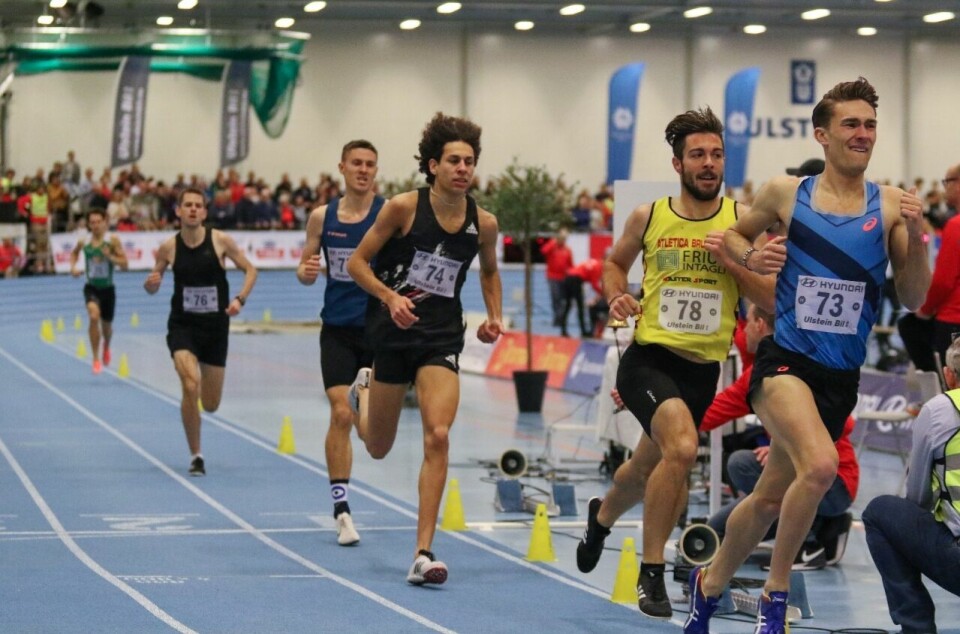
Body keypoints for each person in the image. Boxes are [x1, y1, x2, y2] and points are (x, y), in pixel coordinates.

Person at [685, 77, 931, 634]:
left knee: (771, 496)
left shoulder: (891, 205)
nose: (862, 133)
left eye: (870, 124)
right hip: (785, 361)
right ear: (823, 134)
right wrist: (754, 254)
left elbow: (914, 296)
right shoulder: (785, 193)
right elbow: (728, 237)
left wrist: (916, 237)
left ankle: (712, 583)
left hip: (841, 376)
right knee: (820, 467)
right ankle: (775, 598)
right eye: (851, 123)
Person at [576, 106, 774, 620]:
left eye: (716, 154)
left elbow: (768, 298)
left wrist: (736, 261)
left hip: (702, 370)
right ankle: (652, 571)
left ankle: (601, 517)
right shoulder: (649, 215)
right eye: (697, 155)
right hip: (648, 359)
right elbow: (614, 265)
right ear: (678, 163)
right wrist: (617, 295)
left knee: (644, 468)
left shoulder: (742, 221)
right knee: (683, 448)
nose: (708, 163)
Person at [345, 112, 504, 586]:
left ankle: (422, 552)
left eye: (470, 161)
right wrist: (389, 297)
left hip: (440, 339)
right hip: (393, 336)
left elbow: (489, 271)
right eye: (453, 160)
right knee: (376, 446)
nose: (462, 168)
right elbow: (357, 263)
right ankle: (363, 395)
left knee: (438, 435)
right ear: (433, 165)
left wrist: (493, 315)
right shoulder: (402, 208)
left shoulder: (485, 222)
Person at [699, 303, 858, 571]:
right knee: (717, 531)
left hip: (835, 481)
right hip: (791, 472)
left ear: (760, 325)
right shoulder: (757, 373)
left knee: (743, 464)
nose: (741, 333)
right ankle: (823, 525)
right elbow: (708, 415)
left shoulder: (802, 363)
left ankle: (812, 540)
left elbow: (847, 423)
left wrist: (790, 440)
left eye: (746, 324)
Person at [296, 140, 384, 547]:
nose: (363, 170)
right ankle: (342, 509)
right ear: (342, 168)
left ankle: (365, 403)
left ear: (375, 171)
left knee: (373, 435)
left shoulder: (389, 214)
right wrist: (307, 271)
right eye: (356, 164)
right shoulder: (322, 217)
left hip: (379, 332)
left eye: (370, 165)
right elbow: (305, 266)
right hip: (337, 329)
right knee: (340, 414)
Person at [144, 187, 258, 476]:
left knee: (210, 403)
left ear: (205, 212)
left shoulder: (220, 241)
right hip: (183, 326)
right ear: (178, 211)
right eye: (188, 205)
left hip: (216, 328)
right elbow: (152, 282)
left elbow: (250, 270)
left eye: (198, 205)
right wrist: (151, 284)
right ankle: (196, 455)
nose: (193, 209)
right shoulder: (169, 247)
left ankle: (198, 431)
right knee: (189, 383)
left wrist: (239, 299)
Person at [863, 337, 960, 634]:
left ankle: (917, 626)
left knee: (880, 512)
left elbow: (918, 496)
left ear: (948, 375)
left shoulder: (942, 410)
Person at [898, 162, 960, 372]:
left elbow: (943, 281)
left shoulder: (956, 226)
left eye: (947, 182)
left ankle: (935, 392)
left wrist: (924, 310)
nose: (944, 188)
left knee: (908, 326)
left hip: (953, 320)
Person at [69, 209, 128, 374]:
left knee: (107, 327)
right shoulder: (84, 241)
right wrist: (73, 267)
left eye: (98, 222)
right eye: (92, 222)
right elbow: (73, 254)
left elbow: (125, 264)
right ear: (89, 224)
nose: (95, 225)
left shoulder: (113, 241)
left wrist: (110, 257)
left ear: (105, 222)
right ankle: (95, 358)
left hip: (108, 289)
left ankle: (106, 346)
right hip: (91, 287)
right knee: (93, 316)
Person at [560, 257, 602, 338]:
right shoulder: (598, 267)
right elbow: (594, 285)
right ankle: (583, 332)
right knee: (580, 307)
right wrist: (603, 293)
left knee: (567, 306)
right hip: (575, 280)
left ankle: (563, 330)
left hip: (568, 277)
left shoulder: (594, 262)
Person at [540, 228, 573, 331]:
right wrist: (553, 242)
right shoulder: (552, 246)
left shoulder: (567, 250)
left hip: (563, 277)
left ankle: (560, 318)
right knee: (555, 297)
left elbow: (570, 265)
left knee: (562, 299)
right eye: (561, 238)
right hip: (552, 276)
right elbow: (543, 251)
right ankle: (557, 318)